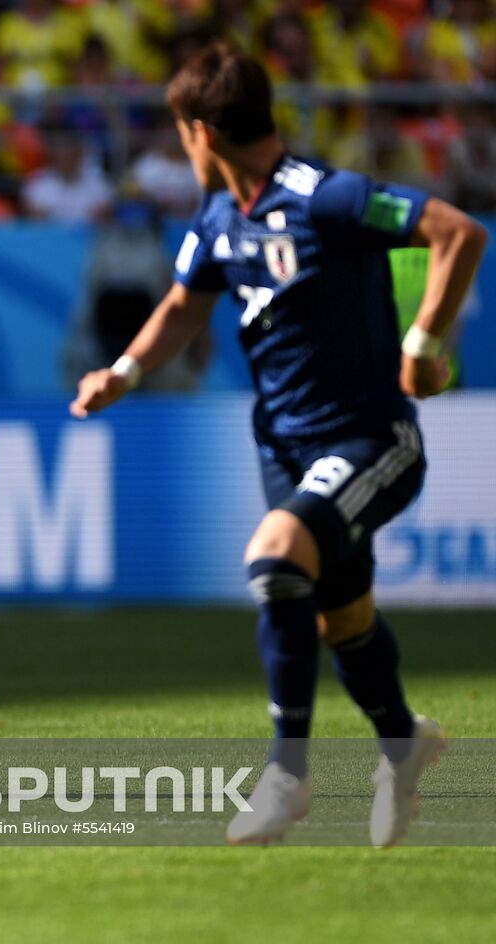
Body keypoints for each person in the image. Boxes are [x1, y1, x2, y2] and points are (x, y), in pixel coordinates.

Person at [70, 43, 488, 847]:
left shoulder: (327, 198)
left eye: (179, 133)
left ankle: (287, 778)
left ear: (200, 130)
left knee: (273, 557)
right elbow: (184, 306)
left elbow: (456, 232)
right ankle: (404, 745)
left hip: (372, 437)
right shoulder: (221, 218)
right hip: (285, 449)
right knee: (343, 619)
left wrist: (427, 341)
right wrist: (123, 370)